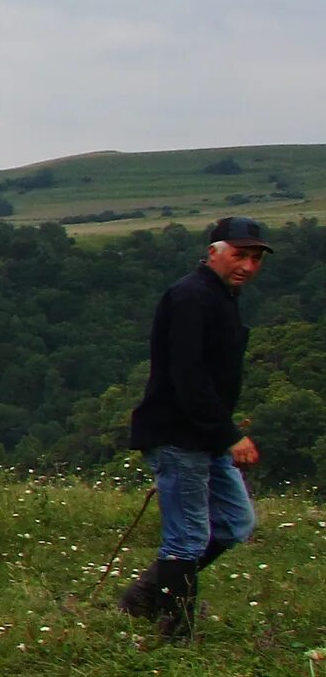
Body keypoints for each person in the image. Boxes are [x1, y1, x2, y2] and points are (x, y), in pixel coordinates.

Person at [117, 217, 271, 636]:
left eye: (255, 258)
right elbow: (188, 375)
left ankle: (148, 592)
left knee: (236, 524)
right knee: (186, 538)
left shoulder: (222, 296)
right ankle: (175, 630)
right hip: (177, 435)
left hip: (204, 435)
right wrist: (229, 434)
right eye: (239, 255)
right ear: (213, 253)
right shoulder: (191, 296)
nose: (247, 266)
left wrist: (220, 433)